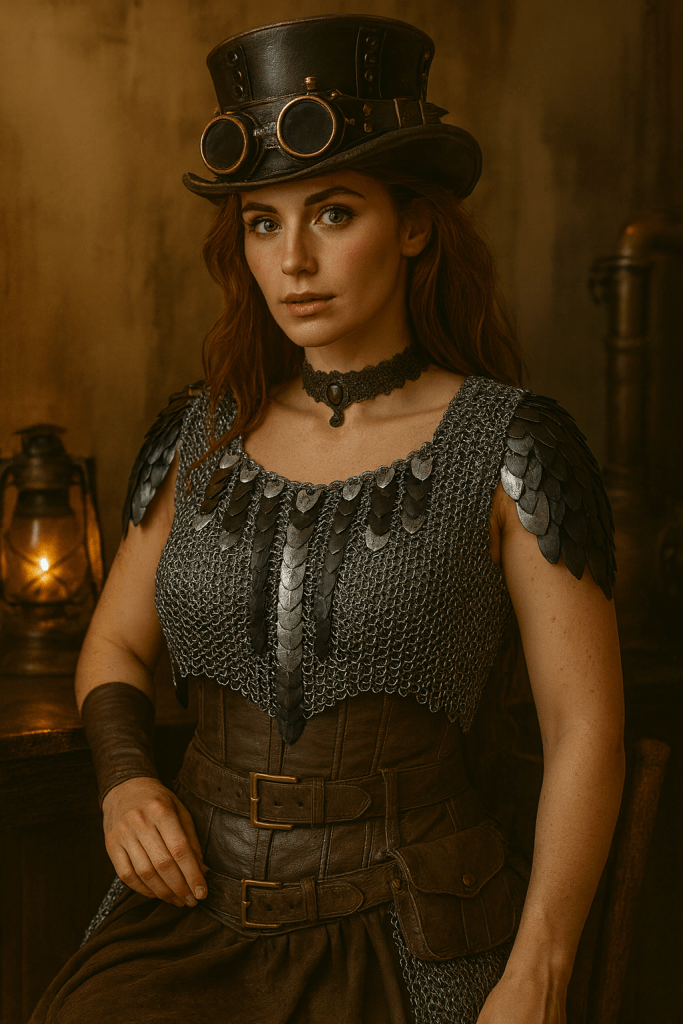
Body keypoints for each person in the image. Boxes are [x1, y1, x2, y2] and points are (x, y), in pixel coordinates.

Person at [30, 14, 625, 1024]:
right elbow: (112, 648)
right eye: (263, 222)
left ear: (414, 222)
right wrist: (126, 785)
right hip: (192, 918)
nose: (293, 259)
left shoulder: (509, 442)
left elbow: (585, 729)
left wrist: (539, 970)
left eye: (333, 213)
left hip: (411, 929)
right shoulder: (197, 433)